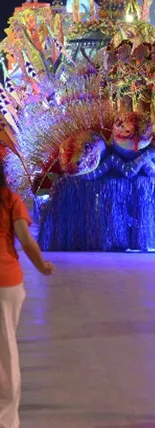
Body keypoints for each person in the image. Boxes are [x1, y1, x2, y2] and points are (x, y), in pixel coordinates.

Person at [0, 164, 54, 427]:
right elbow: (25, 238)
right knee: (4, 351)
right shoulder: (10, 200)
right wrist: (42, 266)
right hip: (5, 283)